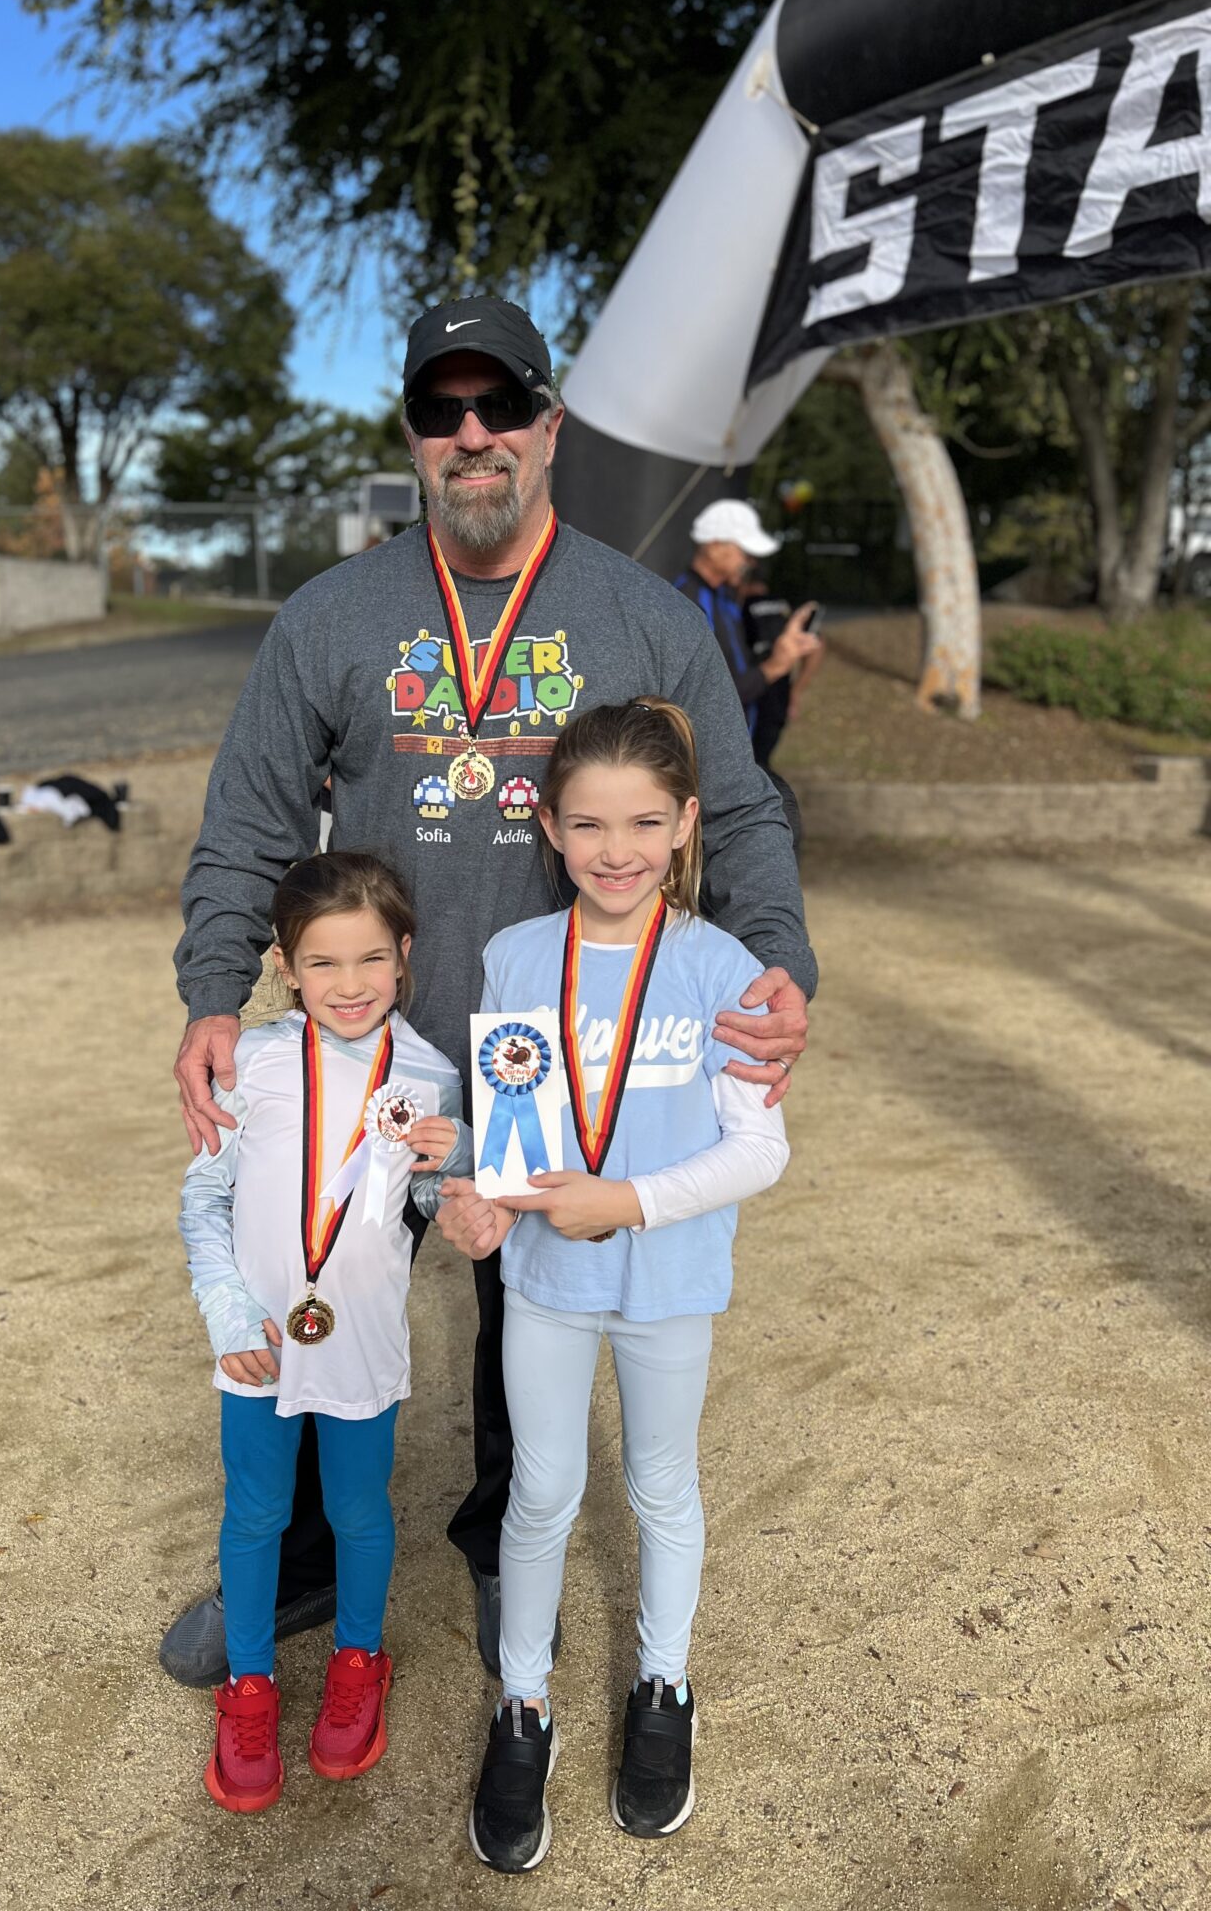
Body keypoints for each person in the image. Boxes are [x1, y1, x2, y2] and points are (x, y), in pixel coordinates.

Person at [164, 294, 817, 1691]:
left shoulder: (641, 616)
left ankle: (505, 1542)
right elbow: (249, 820)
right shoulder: (333, 616)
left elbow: (743, 809)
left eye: (500, 405)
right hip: (363, 1048)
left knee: (535, 1308)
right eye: (440, 410)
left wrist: (778, 965)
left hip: (561, 1053)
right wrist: (216, 990)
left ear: (549, 426)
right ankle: (296, 1561)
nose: (473, 435)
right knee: (312, 1279)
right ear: (413, 437)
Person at [437, 700, 790, 1872]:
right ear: (548, 826)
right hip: (546, 1276)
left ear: (685, 823)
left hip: (670, 1278)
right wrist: (486, 1201)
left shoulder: (722, 967)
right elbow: (511, 1130)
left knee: (659, 1487)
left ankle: (663, 1686)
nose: (617, 849)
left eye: (644, 822)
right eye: (589, 824)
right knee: (541, 1491)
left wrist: (627, 1202)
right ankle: (523, 1703)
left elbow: (761, 1151)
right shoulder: (515, 956)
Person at [180, 851, 470, 1812]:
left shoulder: (428, 1075)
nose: (350, 984)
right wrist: (228, 1313)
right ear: (285, 966)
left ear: (405, 954)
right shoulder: (252, 1061)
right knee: (256, 1513)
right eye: (323, 963)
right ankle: (249, 1684)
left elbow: (428, 1206)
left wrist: (456, 1161)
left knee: (358, 1510)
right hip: (258, 1337)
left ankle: (358, 1660)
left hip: (361, 1342)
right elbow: (204, 1201)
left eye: (371, 958)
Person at [674, 499, 825, 771]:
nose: (750, 563)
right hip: (704, 763)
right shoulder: (688, 601)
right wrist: (775, 665)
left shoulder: (723, 598)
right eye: (744, 553)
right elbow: (710, 695)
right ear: (714, 546)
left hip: (733, 755)